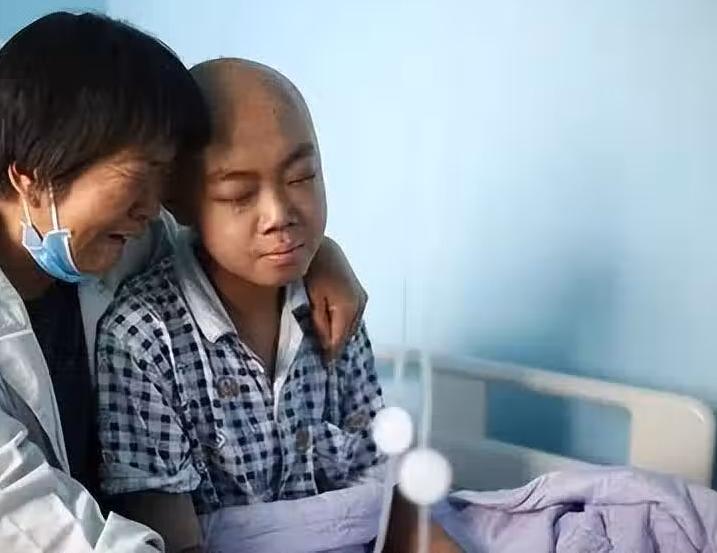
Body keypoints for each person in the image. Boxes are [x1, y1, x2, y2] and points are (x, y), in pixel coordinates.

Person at [0, 14, 369, 553]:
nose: (154, 207)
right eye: (142, 177)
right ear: (33, 177)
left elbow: (225, 244)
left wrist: (321, 256)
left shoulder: (123, 238)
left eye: (166, 177)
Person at [95, 58, 462, 553]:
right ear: (178, 202)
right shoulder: (144, 337)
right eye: (239, 194)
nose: (279, 215)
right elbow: (170, 536)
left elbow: (386, 492)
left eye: (301, 178)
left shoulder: (334, 306)